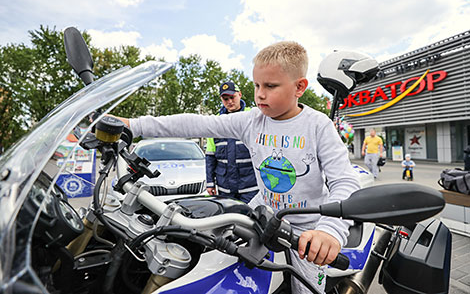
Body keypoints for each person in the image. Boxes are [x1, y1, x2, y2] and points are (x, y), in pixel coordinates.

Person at [118, 41, 359, 293]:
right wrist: (134, 125)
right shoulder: (251, 121)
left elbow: (345, 182)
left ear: (299, 87)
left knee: (305, 290)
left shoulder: (318, 125)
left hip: (305, 231)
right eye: (256, 85)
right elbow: (197, 124)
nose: (260, 95)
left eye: (270, 86)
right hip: (259, 217)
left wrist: (329, 231)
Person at [205, 81, 258, 203]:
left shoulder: (252, 116)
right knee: (228, 218)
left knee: (250, 219)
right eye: (225, 99)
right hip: (225, 188)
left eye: (232, 97)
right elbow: (210, 157)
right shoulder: (216, 122)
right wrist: (210, 183)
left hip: (250, 186)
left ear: (240, 94)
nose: (229, 102)